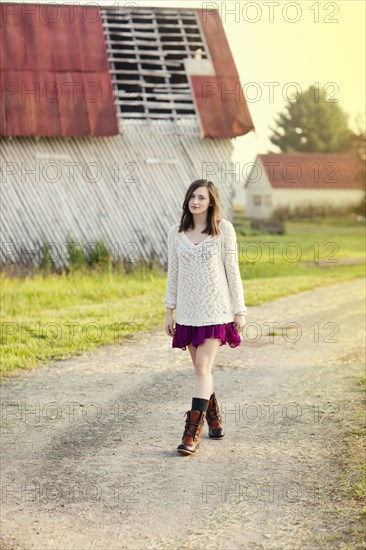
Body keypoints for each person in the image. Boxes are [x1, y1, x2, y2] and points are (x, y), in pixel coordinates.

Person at [164, 179, 247, 456]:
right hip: (188, 313)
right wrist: (169, 310)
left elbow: (232, 270)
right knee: (203, 372)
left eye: (201, 197)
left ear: (211, 201)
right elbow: (172, 274)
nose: (195, 201)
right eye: (192, 196)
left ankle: (191, 433)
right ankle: (213, 418)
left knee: (201, 368)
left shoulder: (224, 230)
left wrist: (239, 310)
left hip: (215, 309)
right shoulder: (176, 233)